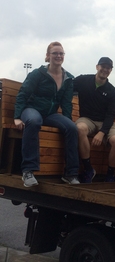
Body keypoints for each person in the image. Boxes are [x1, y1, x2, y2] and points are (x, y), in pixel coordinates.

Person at [14, 41, 80, 187]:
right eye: (55, 53)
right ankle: (28, 171)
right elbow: (23, 94)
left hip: (50, 114)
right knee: (33, 121)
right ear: (48, 56)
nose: (58, 56)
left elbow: (66, 103)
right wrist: (17, 117)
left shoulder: (68, 78)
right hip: (31, 109)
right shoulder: (38, 74)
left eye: (61, 53)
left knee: (72, 128)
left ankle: (70, 173)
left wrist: (67, 121)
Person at [73, 57, 115, 183]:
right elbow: (66, 84)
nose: (105, 70)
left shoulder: (112, 91)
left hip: (105, 121)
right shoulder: (83, 80)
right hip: (87, 119)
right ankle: (88, 169)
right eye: (103, 67)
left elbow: (111, 115)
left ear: (111, 70)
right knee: (79, 128)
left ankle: (110, 175)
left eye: (108, 68)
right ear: (97, 67)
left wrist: (102, 133)